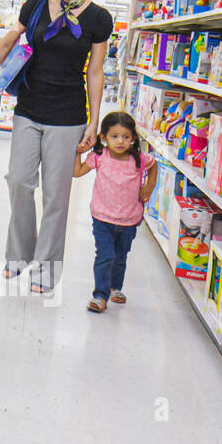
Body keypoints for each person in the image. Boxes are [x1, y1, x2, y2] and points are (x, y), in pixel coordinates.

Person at [0, 0, 113, 294]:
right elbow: (9, 42)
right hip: (29, 109)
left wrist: (94, 122)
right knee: (18, 180)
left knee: (56, 197)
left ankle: (46, 270)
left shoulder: (99, 18)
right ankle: (18, 256)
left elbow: (95, 72)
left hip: (68, 116)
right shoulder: (36, 4)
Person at [74, 112, 157, 313]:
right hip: (102, 218)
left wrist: (148, 188)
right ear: (103, 137)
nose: (120, 141)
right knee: (105, 255)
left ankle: (115, 287)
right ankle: (100, 296)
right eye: (114, 136)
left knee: (120, 256)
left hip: (129, 219)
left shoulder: (139, 159)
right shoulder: (99, 156)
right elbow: (77, 172)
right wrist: (77, 152)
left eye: (126, 137)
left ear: (133, 138)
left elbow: (154, 167)